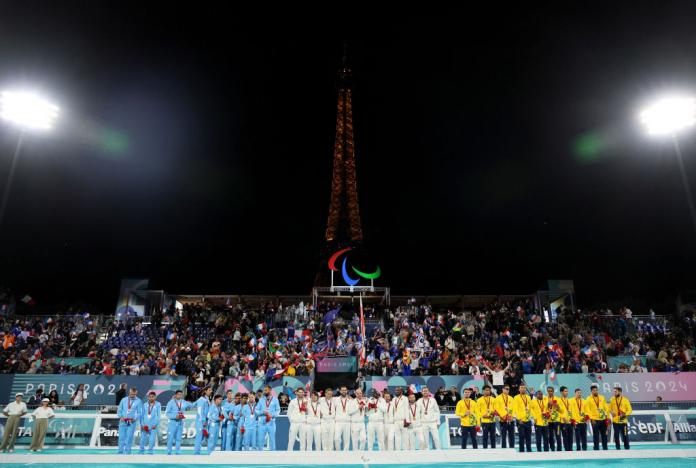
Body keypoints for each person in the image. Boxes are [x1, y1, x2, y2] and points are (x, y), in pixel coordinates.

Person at [165, 390, 193, 455]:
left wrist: (199, 401)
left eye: (181, 394)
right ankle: (169, 451)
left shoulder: (184, 402)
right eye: (179, 394)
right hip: (172, 422)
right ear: (175, 395)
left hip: (180, 422)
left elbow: (192, 405)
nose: (180, 396)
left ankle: (178, 451)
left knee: (178, 438)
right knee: (170, 438)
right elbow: (167, 413)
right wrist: (175, 416)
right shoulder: (170, 402)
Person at [585, 384, 609, 450]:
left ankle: (605, 448)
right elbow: (587, 410)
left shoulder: (602, 397)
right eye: (594, 390)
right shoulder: (588, 399)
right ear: (591, 391)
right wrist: (591, 418)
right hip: (594, 420)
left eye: (596, 390)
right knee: (596, 435)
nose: (595, 391)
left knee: (604, 435)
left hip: (603, 419)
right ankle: (596, 448)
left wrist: (607, 416)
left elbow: (606, 407)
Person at [117, 387, 141, 454]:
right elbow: (119, 410)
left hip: (131, 422)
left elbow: (140, 412)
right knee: (121, 437)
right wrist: (120, 416)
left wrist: (135, 418)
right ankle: (120, 451)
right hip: (122, 421)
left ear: (136, 393)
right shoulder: (123, 400)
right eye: (131, 394)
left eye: (134, 394)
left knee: (129, 437)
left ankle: (128, 452)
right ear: (129, 392)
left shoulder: (138, 401)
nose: (132, 395)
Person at [257, 385, 280, 451]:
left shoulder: (275, 400)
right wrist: (262, 412)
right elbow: (256, 410)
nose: (264, 391)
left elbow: (278, 410)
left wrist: (272, 415)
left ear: (270, 390)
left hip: (271, 422)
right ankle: (259, 454)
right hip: (262, 423)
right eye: (264, 390)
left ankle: (272, 455)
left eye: (266, 390)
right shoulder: (261, 400)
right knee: (260, 439)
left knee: (272, 439)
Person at [544, 386, 565, 451]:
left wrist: (557, 407)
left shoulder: (558, 399)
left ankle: (559, 449)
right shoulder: (544, 399)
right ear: (547, 391)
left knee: (558, 435)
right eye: (549, 391)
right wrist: (547, 405)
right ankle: (552, 449)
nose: (550, 392)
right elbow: (543, 410)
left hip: (557, 421)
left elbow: (562, 411)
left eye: (551, 391)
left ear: (553, 391)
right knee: (550, 436)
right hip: (549, 421)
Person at [334, 386, 354, 451]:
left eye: (345, 390)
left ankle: (345, 454)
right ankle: (338, 452)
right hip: (338, 422)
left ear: (347, 391)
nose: (344, 391)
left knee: (346, 440)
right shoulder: (336, 399)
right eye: (342, 390)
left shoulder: (350, 400)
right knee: (336, 438)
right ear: (340, 391)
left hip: (347, 422)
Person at [495, 384, 515, 449]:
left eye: (508, 389)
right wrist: (504, 416)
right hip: (503, 420)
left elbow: (513, 408)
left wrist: (511, 416)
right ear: (502, 389)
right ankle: (503, 449)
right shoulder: (498, 398)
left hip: (510, 420)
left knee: (511, 436)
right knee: (503, 436)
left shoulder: (511, 398)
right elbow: (497, 408)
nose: (507, 390)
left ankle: (512, 448)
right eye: (506, 389)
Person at [513, 383, 532, 452]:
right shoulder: (516, 397)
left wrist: (530, 416)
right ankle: (521, 451)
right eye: (521, 387)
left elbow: (530, 408)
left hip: (528, 420)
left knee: (528, 437)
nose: (523, 388)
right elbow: (515, 409)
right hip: (521, 421)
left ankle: (529, 450)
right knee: (522, 436)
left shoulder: (528, 397)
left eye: (524, 387)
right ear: (519, 389)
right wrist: (518, 419)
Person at [194, 387, 212, 455]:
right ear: (205, 391)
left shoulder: (207, 399)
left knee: (202, 437)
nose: (211, 391)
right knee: (199, 437)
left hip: (205, 421)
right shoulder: (202, 400)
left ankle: (199, 452)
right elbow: (199, 411)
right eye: (209, 390)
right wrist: (203, 421)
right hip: (201, 421)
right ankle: (196, 453)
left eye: (211, 390)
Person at [558, 386, 573, 451]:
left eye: (567, 391)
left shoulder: (569, 400)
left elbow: (570, 410)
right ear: (561, 392)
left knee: (571, 436)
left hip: (569, 421)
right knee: (565, 436)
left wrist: (572, 419)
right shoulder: (558, 400)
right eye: (565, 391)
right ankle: (566, 450)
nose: (567, 392)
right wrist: (563, 418)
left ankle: (570, 449)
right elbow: (557, 411)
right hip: (563, 422)